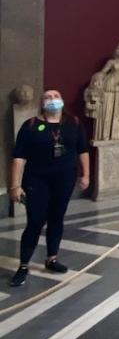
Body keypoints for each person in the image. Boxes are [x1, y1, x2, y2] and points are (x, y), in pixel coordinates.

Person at [8, 90, 89, 287]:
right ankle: (24, 266)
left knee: (56, 218)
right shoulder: (31, 126)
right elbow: (19, 157)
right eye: (48, 97)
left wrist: (86, 174)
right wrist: (14, 185)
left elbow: (83, 150)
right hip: (37, 181)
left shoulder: (74, 123)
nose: (52, 99)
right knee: (35, 221)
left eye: (56, 96)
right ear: (42, 103)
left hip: (65, 179)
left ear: (61, 101)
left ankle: (52, 259)